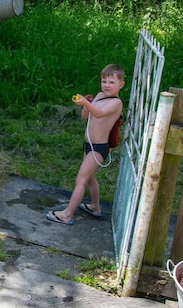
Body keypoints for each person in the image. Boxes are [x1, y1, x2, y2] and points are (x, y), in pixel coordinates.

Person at [46, 64, 125, 225]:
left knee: (80, 180)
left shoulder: (116, 103)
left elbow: (100, 113)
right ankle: (95, 207)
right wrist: (86, 104)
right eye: (104, 81)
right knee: (89, 178)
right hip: (89, 145)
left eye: (111, 82)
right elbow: (86, 116)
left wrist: (87, 104)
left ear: (121, 84)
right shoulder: (99, 96)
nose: (107, 85)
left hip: (98, 148)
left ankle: (67, 215)